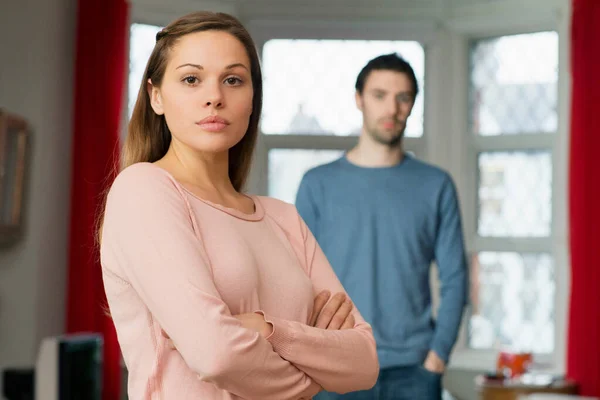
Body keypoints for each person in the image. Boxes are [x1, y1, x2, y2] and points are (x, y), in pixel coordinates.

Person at [99, 11, 379, 400]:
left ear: (252, 99)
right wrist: (317, 371)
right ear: (156, 96)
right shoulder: (143, 191)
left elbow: (364, 362)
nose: (214, 96)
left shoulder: (283, 218)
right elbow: (217, 356)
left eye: (233, 80)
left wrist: (268, 331)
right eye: (191, 79)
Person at [296, 53, 468, 400]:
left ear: (412, 104)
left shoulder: (436, 185)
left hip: (414, 372)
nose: (391, 108)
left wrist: (437, 359)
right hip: (335, 366)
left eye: (402, 97)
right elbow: (294, 276)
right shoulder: (317, 185)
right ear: (359, 99)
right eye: (379, 95)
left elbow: (456, 279)